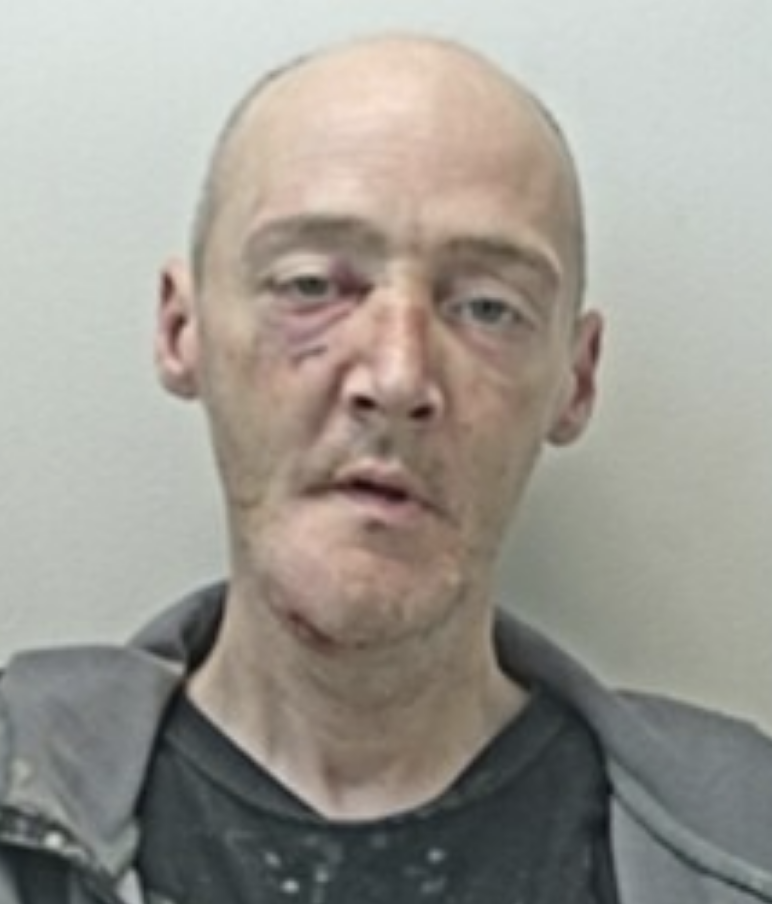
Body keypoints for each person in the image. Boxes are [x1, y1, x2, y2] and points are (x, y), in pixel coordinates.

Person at [1, 32, 771, 904]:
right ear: (184, 330)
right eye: (309, 285)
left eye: (488, 307)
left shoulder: (745, 842)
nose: (398, 376)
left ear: (577, 379)